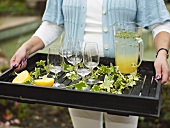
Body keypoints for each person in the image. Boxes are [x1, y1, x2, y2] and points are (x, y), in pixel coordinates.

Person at [10, 0, 170, 128]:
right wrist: (27, 47)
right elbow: (53, 24)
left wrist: (162, 53)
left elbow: (160, 23)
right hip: (78, 75)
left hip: (124, 77)